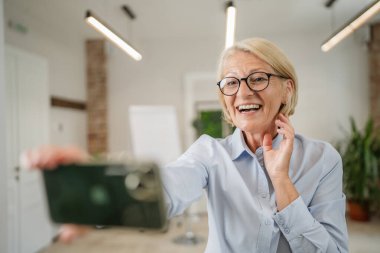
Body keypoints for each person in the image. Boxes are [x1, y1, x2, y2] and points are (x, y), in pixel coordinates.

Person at [23, 38, 348, 252]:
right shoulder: (210, 153)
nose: (244, 93)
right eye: (231, 83)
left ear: (287, 89)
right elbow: (166, 187)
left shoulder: (323, 159)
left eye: (258, 78)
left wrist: (282, 181)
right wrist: (99, 188)